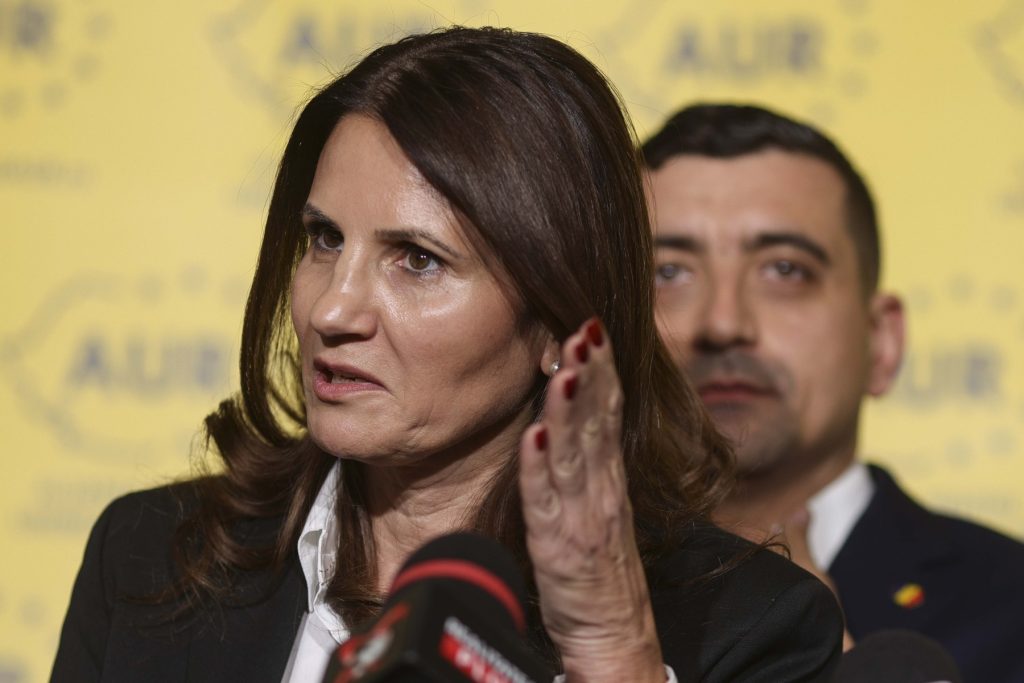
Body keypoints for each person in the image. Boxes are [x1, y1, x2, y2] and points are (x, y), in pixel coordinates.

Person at [50, 31, 843, 683]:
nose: (331, 310)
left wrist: (612, 653)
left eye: (417, 259)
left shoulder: (751, 629)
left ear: (560, 325)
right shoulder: (149, 553)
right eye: (324, 239)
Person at [642, 102, 1024, 682]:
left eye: (784, 270)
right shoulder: (528, 601)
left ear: (881, 342)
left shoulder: (1010, 605)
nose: (723, 323)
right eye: (668, 273)